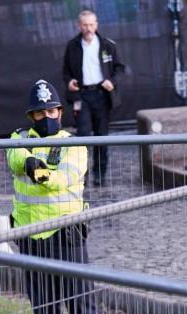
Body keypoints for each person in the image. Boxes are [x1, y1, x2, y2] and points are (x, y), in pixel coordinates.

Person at [7, 79, 120, 314]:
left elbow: (60, 180)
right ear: (32, 116)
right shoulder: (19, 141)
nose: (47, 118)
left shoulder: (74, 144)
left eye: (52, 112)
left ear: (60, 111)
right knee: (45, 307)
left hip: (66, 236)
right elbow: (14, 156)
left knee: (82, 304)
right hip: (30, 237)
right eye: (41, 114)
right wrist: (29, 160)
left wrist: (39, 171)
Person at [62, 9, 124, 186]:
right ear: (79, 26)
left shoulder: (107, 45)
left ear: (96, 25)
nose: (88, 28)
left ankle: (100, 174)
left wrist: (112, 81)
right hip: (82, 95)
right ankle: (82, 173)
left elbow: (120, 68)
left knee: (101, 136)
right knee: (82, 136)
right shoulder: (72, 46)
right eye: (85, 25)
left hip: (102, 95)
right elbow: (65, 70)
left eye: (91, 24)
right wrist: (69, 81)